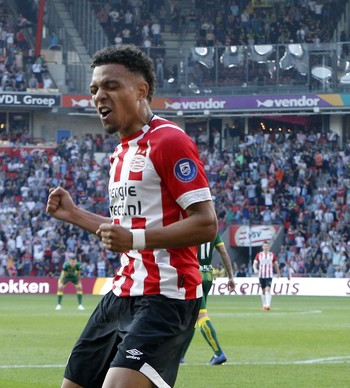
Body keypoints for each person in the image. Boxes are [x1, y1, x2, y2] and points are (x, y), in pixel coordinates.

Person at [45, 44, 217, 388]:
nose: (98, 96)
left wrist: (134, 239)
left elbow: (206, 223)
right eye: (94, 89)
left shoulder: (169, 141)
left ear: (142, 90)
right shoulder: (121, 153)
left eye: (111, 86)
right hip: (122, 291)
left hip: (166, 296)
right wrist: (75, 214)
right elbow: (122, 231)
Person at [179, 233, 236, 365]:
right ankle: (180, 356)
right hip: (208, 275)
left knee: (201, 316)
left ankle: (219, 353)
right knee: (192, 318)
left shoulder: (193, 228)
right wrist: (230, 277)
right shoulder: (213, 231)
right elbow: (223, 252)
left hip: (194, 274)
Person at [253, 242, 280, 310]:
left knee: (268, 289)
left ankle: (268, 305)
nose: (266, 247)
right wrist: (255, 269)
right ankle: (264, 305)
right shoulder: (259, 255)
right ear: (262, 247)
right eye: (264, 246)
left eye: (267, 246)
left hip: (269, 275)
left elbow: (276, 264)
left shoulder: (272, 255)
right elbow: (255, 263)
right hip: (261, 274)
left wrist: (278, 272)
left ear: (268, 247)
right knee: (263, 290)